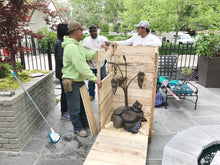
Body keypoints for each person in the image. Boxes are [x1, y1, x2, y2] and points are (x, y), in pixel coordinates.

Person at [62, 21, 102, 137]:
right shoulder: (71, 47)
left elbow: (88, 56)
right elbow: (81, 66)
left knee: (83, 105)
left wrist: (99, 50)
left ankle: (84, 123)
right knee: (75, 108)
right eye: (81, 31)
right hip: (72, 82)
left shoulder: (78, 45)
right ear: (75, 31)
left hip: (79, 81)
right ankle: (78, 128)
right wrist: (95, 79)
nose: (83, 33)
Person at [82, 25, 109, 101]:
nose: (94, 33)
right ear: (89, 32)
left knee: (103, 79)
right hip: (91, 64)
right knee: (91, 81)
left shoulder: (102, 38)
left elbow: (107, 42)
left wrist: (105, 43)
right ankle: (91, 94)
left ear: (97, 31)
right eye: (92, 31)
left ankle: (104, 94)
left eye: (95, 31)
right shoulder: (86, 40)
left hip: (101, 64)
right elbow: (83, 50)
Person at [54, 23, 70, 120]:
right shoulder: (60, 43)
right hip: (62, 72)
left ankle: (66, 111)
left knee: (65, 92)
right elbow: (61, 60)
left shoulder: (62, 41)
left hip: (63, 72)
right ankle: (64, 112)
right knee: (64, 92)